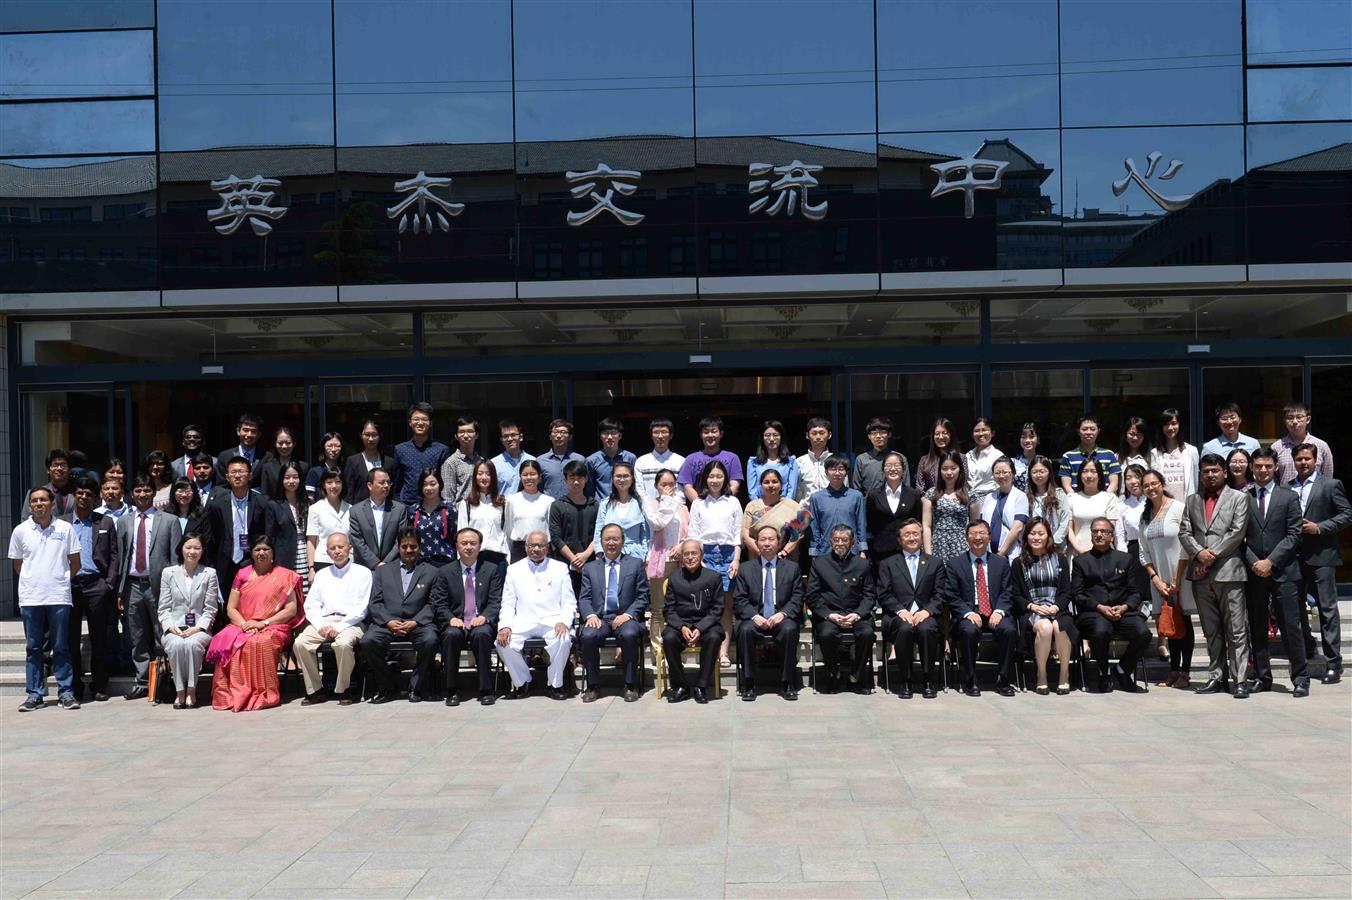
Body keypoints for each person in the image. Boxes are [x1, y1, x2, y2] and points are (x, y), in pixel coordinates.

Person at [205, 534, 305, 712]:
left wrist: (264, 623)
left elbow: (290, 610)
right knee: (227, 639)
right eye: (257, 549)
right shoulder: (242, 574)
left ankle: (264, 693)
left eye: (266, 549)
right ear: (251, 553)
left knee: (260, 642)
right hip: (243, 624)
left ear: (273, 552)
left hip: (275, 625)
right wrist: (245, 624)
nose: (261, 553)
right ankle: (229, 695)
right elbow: (231, 608)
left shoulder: (285, 576)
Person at [1181, 454, 1252, 698]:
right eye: (1205, 471)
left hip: (1229, 572)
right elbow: (1185, 532)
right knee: (1211, 630)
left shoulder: (1240, 498)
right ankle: (1216, 677)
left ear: (1224, 472)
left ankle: (1240, 679)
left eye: (1214, 470)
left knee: (1236, 628)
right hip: (1200, 575)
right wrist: (1199, 553)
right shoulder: (1192, 500)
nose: (1210, 475)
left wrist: (1210, 556)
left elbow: (1236, 532)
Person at [9, 486, 82, 711]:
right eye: (34, 501)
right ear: (30, 505)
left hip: (59, 596)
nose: (39, 504)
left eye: (43, 500)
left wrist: (58, 580)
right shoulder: (20, 531)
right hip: (31, 598)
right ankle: (34, 694)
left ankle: (66, 693)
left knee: (61, 646)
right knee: (33, 648)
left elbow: (75, 562)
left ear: (51, 503)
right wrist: (35, 580)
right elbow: (18, 564)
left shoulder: (65, 528)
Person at [1244, 448, 1308, 696]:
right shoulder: (1243, 497)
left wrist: (1270, 561)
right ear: (1251, 466)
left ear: (1276, 467)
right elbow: (1239, 538)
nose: (1262, 470)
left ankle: (1301, 678)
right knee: (1257, 626)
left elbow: (1294, 534)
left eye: (1267, 466)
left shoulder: (1289, 497)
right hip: (1254, 573)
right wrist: (1255, 563)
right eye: (1258, 466)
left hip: (1285, 573)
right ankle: (1262, 676)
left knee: (1291, 627)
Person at [116, 475, 184, 700]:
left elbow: (176, 556)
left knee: (163, 633)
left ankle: (169, 680)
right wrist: (120, 589)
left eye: (146, 490)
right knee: (137, 636)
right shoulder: (124, 521)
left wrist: (175, 588)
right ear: (132, 494)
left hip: (160, 586)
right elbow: (121, 556)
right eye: (138, 491)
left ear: (153, 493)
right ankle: (143, 681)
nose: (142, 494)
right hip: (133, 584)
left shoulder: (169, 520)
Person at [1289, 442, 1351, 684]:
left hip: (1322, 556)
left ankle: (1334, 663)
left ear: (1316, 461)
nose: (1303, 463)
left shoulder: (1331, 485)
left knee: (1326, 610)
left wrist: (1320, 528)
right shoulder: (1288, 487)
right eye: (1299, 459)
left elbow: (1347, 514)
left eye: (1307, 459)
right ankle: (1306, 647)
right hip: (1294, 557)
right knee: (1294, 609)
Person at [361, 526, 441, 703]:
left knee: (430, 640)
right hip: (388, 623)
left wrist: (416, 622)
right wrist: (388, 621)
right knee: (368, 641)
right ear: (398, 547)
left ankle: (416, 687)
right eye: (404, 546)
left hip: (418, 624)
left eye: (413, 546)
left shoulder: (431, 572)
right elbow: (375, 602)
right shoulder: (383, 571)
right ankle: (387, 686)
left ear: (419, 547)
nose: (409, 550)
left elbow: (433, 604)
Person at [496, 531, 577, 701]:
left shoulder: (560, 568)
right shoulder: (513, 570)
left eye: (540, 545)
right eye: (532, 545)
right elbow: (508, 603)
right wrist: (505, 626)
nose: (536, 549)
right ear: (526, 547)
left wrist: (563, 621)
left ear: (547, 548)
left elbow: (569, 602)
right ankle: (523, 681)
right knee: (502, 643)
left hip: (552, 620)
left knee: (563, 639)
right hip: (524, 621)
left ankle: (555, 684)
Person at [1074, 516, 1150, 693]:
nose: (1099, 534)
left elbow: (1135, 592)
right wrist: (1099, 607)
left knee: (1143, 633)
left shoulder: (1125, 559)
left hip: (1122, 611)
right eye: (1095, 531)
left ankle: (1122, 670)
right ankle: (1104, 672)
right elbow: (1077, 594)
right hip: (1094, 612)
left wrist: (1124, 607)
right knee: (1101, 631)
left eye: (1104, 531)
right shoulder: (1080, 561)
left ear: (1112, 536)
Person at [942, 519, 1017, 697]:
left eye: (982, 533)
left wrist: (999, 611)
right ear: (967, 538)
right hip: (970, 612)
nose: (977, 537)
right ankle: (970, 679)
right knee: (968, 631)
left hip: (995, 611)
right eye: (973, 534)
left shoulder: (1000, 562)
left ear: (989, 537)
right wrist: (967, 613)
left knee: (1009, 630)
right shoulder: (955, 563)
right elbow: (951, 594)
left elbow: (1008, 591)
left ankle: (1003, 679)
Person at [292, 533, 369, 706]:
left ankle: (344, 689)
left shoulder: (362, 573)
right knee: (300, 643)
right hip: (324, 622)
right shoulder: (322, 574)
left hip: (351, 622)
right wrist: (321, 626)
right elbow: (311, 606)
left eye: (341, 547)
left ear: (349, 548)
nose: (337, 551)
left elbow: (361, 608)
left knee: (342, 644)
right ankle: (316, 690)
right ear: (327, 552)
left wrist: (340, 627)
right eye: (332, 548)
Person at [61, 476, 120, 702]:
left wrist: (108, 584)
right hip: (70, 584)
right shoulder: (63, 522)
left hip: (97, 584)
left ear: (95, 498)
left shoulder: (104, 522)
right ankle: (74, 685)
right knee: (71, 638)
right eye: (80, 493)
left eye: (88, 494)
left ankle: (99, 685)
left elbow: (114, 555)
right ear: (74, 495)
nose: (84, 497)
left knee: (99, 638)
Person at [433, 527, 504, 707]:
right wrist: (450, 618)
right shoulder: (445, 572)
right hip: (456, 621)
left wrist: (486, 616)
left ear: (480, 546)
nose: (469, 547)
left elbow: (496, 601)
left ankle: (486, 690)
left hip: (480, 621)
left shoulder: (491, 570)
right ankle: (452, 690)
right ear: (456, 546)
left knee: (481, 634)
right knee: (450, 635)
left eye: (473, 543)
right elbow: (439, 603)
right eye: (464, 543)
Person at [578, 523, 650, 702]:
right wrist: (591, 615)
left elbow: (643, 596)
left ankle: (630, 685)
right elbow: (584, 598)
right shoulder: (590, 568)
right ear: (601, 542)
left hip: (626, 617)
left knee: (630, 634)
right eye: (607, 539)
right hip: (600, 618)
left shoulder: (635, 564)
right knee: (587, 635)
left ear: (623, 542)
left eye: (615, 539)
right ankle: (593, 686)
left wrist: (628, 614)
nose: (611, 543)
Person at [733, 525, 803, 701]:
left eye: (771, 539)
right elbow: (739, 599)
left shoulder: (792, 568)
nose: (766, 543)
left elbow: (797, 597)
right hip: (755, 617)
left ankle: (788, 683)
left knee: (789, 630)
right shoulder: (746, 569)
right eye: (762, 539)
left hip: (780, 617)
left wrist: (783, 614)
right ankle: (748, 683)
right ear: (756, 543)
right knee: (745, 630)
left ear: (779, 543)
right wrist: (755, 616)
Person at [1139, 469, 1193, 689]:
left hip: (1181, 576)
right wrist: (1156, 579)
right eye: (1146, 485)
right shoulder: (1145, 515)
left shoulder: (1178, 508)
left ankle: (1185, 673)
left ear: (1162, 484)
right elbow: (1144, 552)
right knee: (1170, 624)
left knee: (1184, 622)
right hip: (1160, 580)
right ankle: (1173, 670)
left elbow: (1186, 545)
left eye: (1154, 483)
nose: (1150, 488)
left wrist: (1176, 580)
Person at [807, 525, 877, 694]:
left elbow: (870, 595)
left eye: (844, 540)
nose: (840, 543)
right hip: (830, 615)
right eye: (836, 540)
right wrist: (829, 615)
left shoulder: (863, 564)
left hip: (856, 613)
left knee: (867, 633)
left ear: (852, 542)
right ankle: (834, 673)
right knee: (826, 634)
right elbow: (812, 596)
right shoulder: (820, 564)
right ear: (830, 541)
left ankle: (856, 675)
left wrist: (858, 614)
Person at [687, 460, 742, 668]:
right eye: (711, 476)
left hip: (728, 554)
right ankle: (708, 651)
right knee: (708, 606)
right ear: (705, 479)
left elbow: (737, 534)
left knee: (727, 607)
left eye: (719, 476)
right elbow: (693, 534)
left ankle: (724, 652)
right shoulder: (699, 503)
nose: (715, 480)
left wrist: (736, 559)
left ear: (725, 479)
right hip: (706, 554)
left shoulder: (733, 502)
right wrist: (699, 560)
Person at [877, 519, 940, 698]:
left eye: (915, 534)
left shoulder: (934, 563)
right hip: (899, 615)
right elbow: (884, 594)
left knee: (927, 629)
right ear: (899, 539)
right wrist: (900, 610)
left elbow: (940, 593)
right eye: (907, 534)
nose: (912, 538)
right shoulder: (888, 564)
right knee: (904, 629)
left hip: (925, 613)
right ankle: (906, 680)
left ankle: (928, 678)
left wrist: (927, 611)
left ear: (921, 537)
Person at [1012, 517, 1075, 695]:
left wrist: (1055, 607)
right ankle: (1042, 674)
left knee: (1059, 626)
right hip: (1033, 610)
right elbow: (1016, 594)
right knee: (1045, 627)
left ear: (1048, 536)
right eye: (1032, 533)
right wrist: (1032, 606)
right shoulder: (1019, 563)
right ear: (1026, 537)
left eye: (1041, 533)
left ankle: (1064, 674)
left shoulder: (1060, 559)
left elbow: (1066, 591)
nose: (1036, 537)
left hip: (1057, 608)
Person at [156, 532, 219, 708]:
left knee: (191, 644)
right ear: (181, 549)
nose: (192, 551)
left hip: (199, 629)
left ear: (202, 551)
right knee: (176, 644)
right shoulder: (168, 573)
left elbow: (210, 608)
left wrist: (198, 628)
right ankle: (179, 692)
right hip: (174, 627)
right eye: (188, 547)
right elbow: (163, 608)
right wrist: (171, 627)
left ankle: (191, 690)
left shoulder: (209, 574)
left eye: (197, 548)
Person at [662, 539, 725, 704]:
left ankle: (701, 685)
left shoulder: (713, 577)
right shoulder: (674, 578)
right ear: (681, 557)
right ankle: (680, 686)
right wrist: (681, 626)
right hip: (680, 624)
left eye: (694, 553)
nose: (690, 557)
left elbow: (717, 609)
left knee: (714, 637)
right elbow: (668, 610)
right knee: (668, 638)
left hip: (706, 623)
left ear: (701, 555)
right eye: (686, 554)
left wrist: (700, 628)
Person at [202, 456, 270, 604]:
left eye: (241, 472)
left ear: (250, 475)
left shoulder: (262, 502)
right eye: (233, 473)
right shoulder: (217, 505)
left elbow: (268, 534)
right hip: (226, 563)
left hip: (253, 562)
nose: (237, 476)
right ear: (227, 477)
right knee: (227, 607)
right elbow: (211, 538)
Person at [644, 468, 688, 654]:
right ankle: (658, 650)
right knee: (658, 608)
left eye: (671, 484)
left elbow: (691, 531)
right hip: (659, 560)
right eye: (664, 484)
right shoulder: (651, 505)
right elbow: (657, 523)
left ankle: (678, 647)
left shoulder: (683, 507)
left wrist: (682, 546)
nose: (668, 488)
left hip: (679, 560)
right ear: (656, 486)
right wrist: (667, 500)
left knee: (680, 607)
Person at [863, 452, 921, 566]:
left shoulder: (913, 494)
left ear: (903, 470)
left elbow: (918, 521)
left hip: (907, 550)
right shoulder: (874, 495)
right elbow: (870, 523)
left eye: (897, 465)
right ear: (883, 470)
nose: (893, 469)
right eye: (888, 466)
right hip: (880, 550)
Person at [549, 460, 598, 591]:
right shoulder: (557, 506)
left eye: (580, 478)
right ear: (566, 480)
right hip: (564, 562)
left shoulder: (594, 505)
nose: (576, 482)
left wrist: (586, 554)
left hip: (591, 562)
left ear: (586, 479)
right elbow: (555, 537)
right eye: (572, 478)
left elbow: (599, 533)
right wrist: (574, 559)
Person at [808, 454, 868, 559]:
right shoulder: (816, 498)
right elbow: (815, 528)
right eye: (833, 469)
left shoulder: (856, 496)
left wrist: (862, 549)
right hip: (826, 550)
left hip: (851, 550)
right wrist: (814, 552)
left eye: (841, 469)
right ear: (826, 472)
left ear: (846, 473)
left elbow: (861, 524)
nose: (837, 473)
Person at [742, 469, 808, 561]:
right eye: (766, 482)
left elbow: (799, 535)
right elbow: (745, 535)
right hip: (758, 559)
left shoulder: (794, 506)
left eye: (774, 482)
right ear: (761, 485)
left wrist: (783, 553)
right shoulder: (752, 506)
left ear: (781, 485)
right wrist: (762, 553)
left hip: (785, 559)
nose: (770, 485)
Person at [348, 468, 406, 570]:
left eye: (388, 482)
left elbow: (401, 539)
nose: (386, 486)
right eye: (382, 483)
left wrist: (385, 563)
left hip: (391, 567)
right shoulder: (356, 511)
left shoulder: (399, 509)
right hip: (364, 568)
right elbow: (357, 541)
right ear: (370, 485)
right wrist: (375, 563)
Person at [393, 401, 450, 506]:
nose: (420, 423)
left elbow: (445, 483)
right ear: (410, 422)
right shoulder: (400, 449)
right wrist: (399, 505)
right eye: (416, 419)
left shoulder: (442, 450)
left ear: (431, 423)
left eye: (424, 419)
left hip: (433, 509)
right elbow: (396, 484)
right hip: (407, 507)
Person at [592, 461, 650, 562]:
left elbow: (645, 533)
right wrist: (599, 553)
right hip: (609, 554)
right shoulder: (605, 504)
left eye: (626, 476)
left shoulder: (640, 503)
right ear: (613, 478)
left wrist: (644, 553)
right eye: (618, 476)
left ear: (632, 478)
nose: (622, 479)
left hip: (635, 555)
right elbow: (598, 531)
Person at [1065, 458, 1124, 557]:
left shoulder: (1109, 498)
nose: (1089, 475)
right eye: (1085, 471)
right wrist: (1078, 548)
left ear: (1100, 475)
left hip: (1104, 553)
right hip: (1078, 552)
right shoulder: (1071, 498)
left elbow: (1110, 528)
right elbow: (1068, 528)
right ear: (1080, 475)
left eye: (1093, 471)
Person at [265, 460, 310, 589]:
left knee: (305, 595)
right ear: (281, 480)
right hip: (284, 557)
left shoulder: (307, 503)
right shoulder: (273, 505)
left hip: (305, 556)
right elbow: (270, 536)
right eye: (287, 477)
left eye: (295, 477)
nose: (291, 481)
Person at [678, 416, 744, 502]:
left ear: (721, 434)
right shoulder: (690, 459)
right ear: (701, 435)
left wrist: (723, 503)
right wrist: (700, 505)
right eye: (706, 432)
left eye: (714, 431)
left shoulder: (732, 458)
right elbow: (687, 487)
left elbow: (735, 485)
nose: (710, 435)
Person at [921, 449, 971, 563]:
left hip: (963, 546)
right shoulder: (931, 494)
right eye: (944, 468)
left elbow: (974, 527)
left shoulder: (970, 495)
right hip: (938, 546)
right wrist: (928, 553)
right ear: (939, 470)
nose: (949, 472)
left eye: (953, 468)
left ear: (960, 469)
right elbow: (927, 526)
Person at [457, 461, 511, 566]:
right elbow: (461, 532)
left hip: (497, 556)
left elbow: (507, 533)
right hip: (474, 557)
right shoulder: (467, 503)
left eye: (488, 474)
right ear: (475, 477)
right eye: (480, 473)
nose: (484, 477)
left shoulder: (503, 503)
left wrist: (508, 559)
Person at [979, 457, 1029, 560]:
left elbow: (1017, 528)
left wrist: (1001, 554)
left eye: (1005, 472)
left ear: (1013, 473)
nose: (1001, 476)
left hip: (1010, 554)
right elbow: (982, 525)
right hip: (988, 555)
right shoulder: (989, 497)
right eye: (997, 473)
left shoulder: (1020, 496)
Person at [407, 468, 458, 568]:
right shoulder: (413, 510)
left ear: (440, 485)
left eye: (433, 484)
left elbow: (455, 538)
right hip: (420, 564)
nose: (429, 488)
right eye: (425, 484)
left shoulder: (449, 509)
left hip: (444, 563)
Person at [1272, 402, 1334, 485]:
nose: (1294, 421)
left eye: (1299, 417)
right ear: (1285, 421)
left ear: (1308, 419)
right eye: (1290, 418)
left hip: (1314, 497)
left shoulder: (1321, 446)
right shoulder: (1276, 447)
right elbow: (1273, 479)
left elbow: (1328, 477)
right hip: (1285, 496)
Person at [1116, 464, 1152, 607]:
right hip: (1134, 549)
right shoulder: (1122, 506)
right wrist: (1123, 558)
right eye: (1128, 478)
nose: (1133, 481)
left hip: (1154, 546)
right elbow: (1120, 535)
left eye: (1137, 476)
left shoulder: (1152, 501)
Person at [1058, 415, 1121, 495]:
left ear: (1098, 431)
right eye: (1084, 429)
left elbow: (1114, 484)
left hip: (1104, 502)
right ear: (1078, 431)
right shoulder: (1068, 456)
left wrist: (1105, 499)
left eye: (1092, 429)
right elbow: (1066, 485)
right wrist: (1075, 499)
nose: (1088, 432)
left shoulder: (1109, 455)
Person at [505, 460, 553, 562]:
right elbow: (508, 529)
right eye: (525, 475)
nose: (529, 478)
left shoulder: (548, 501)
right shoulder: (512, 500)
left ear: (540, 477)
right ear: (520, 477)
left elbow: (551, 530)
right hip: (518, 549)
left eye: (533, 474)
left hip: (541, 549)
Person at [306, 470, 351, 575]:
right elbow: (311, 540)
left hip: (347, 560)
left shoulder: (351, 509)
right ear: (323, 485)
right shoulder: (315, 508)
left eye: (338, 482)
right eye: (329, 482)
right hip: (323, 561)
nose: (334, 486)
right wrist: (311, 568)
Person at [1149, 408, 1200, 500]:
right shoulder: (1154, 453)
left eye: (1173, 423)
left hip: (1186, 504)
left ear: (1179, 425)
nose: (1170, 428)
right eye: (1166, 424)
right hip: (1163, 504)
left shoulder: (1191, 451)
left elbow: (1196, 481)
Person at [342, 419, 396, 504]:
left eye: (374, 435)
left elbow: (394, 490)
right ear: (361, 436)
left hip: (385, 510)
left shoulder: (389, 462)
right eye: (367, 435)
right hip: (359, 511)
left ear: (380, 436)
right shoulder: (352, 461)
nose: (370, 439)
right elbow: (348, 491)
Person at [852, 416, 907, 496]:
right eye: (874, 433)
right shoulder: (861, 459)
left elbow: (906, 486)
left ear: (889, 434)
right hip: (869, 506)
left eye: (882, 432)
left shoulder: (900, 458)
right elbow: (856, 489)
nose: (878, 436)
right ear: (869, 436)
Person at [635, 417, 686, 502]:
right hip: (648, 511)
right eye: (656, 432)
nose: (660, 436)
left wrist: (671, 507)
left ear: (671, 435)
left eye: (664, 432)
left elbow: (682, 491)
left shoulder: (681, 461)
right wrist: (650, 508)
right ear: (651, 436)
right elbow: (639, 489)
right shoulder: (641, 462)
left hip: (674, 511)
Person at [586, 417, 637, 500]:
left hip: (626, 505)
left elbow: (635, 484)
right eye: (605, 433)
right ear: (600, 436)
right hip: (601, 507)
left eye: (613, 433)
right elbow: (589, 488)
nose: (609, 437)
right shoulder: (591, 460)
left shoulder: (630, 458)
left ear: (620, 436)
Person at [748, 419, 800, 500]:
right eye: (767, 435)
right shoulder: (753, 462)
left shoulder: (791, 461)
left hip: (785, 507)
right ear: (762, 438)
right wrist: (761, 507)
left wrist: (783, 506)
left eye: (775, 435)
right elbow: (752, 492)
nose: (771, 439)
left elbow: (792, 490)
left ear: (781, 437)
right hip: (761, 507)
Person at [19, 448, 75, 520]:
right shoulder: (34, 494)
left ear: (69, 469)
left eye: (63, 465)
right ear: (48, 470)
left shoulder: (79, 494)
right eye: (55, 465)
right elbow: (25, 520)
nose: (59, 468)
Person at [1025, 455, 1069, 549]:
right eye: (1034, 472)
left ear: (1049, 473)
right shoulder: (1025, 496)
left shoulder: (1059, 494)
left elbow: (1065, 521)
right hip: (1033, 546)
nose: (1038, 475)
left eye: (1042, 471)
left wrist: (1053, 541)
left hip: (1056, 547)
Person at [538, 418, 586, 500]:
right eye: (555, 432)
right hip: (550, 507)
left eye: (563, 432)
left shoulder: (580, 460)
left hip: (574, 506)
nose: (559, 436)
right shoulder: (540, 461)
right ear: (550, 436)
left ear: (570, 437)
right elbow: (538, 487)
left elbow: (585, 486)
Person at [440, 416, 484, 505]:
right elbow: (447, 498)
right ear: (456, 436)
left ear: (477, 435)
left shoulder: (481, 461)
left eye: (470, 431)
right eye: (461, 432)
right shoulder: (450, 463)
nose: (466, 435)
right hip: (461, 515)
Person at [257, 426, 308, 498]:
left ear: (294, 443)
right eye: (280, 443)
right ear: (275, 444)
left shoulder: (303, 467)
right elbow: (265, 495)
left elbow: (305, 493)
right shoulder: (268, 467)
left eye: (288, 443)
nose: (284, 446)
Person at [213, 413, 263, 486]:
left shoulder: (267, 457)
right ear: (238, 431)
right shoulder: (224, 456)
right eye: (245, 430)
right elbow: (221, 485)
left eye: (253, 431)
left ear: (259, 434)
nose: (249, 434)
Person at [795, 416, 837, 503]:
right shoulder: (799, 462)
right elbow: (796, 491)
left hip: (831, 510)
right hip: (806, 512)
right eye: (814, 433)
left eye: (822, 433)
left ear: (829, 435)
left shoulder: (836, 460)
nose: (818, 437)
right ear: (807, 435)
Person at [964, 417, 1003, 504]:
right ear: (972, 434)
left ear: (992, 433)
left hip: (990, 501)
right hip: (968, 502)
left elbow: (1002, 483)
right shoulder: (967, 456)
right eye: (977, 431)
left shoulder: (998, 456)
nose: (981, 433)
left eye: (984, 430)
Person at [490, 418, 535, 495]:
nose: (510, 439)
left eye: (513, 435)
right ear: (501, 440)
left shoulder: (532, 461)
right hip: (503, 506)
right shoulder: (494, 464)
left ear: (521, 437)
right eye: (506, 436)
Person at [916, 418, 956, 495]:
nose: (940, 437)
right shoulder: (925, 460)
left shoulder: (961, 458)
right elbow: (920, 487)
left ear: (951, 434)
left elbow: (964, 485)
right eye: (937, 434)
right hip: (931, 503)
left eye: (944, 433)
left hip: (955, 504)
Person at [304, 432, 344, 499]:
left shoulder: (346, 470)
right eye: (329, 446)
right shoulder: (314, 472)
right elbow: (310, 498)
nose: (333, 449)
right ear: (323, 448)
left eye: (337, 446)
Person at [1011, 422, 1040, 493]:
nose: (1027, 440)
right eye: (1023, 437)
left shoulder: (1044, 462)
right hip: (1017, 502)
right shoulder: (1012, 462)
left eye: (1031, 437)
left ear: (1038, 439)